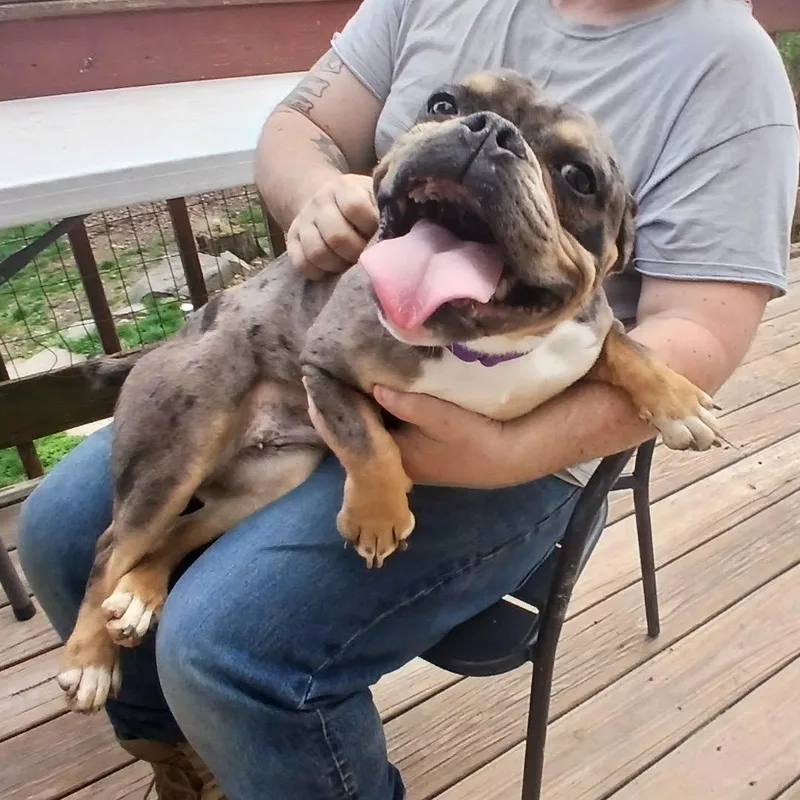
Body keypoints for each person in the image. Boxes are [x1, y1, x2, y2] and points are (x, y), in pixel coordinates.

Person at [17, 0, 798, 798]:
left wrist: (507, 455)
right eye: (448, 110)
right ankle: (186, 756)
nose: (483, 137)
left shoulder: (728, 68)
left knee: (228, 646)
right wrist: (317, 190)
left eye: (574, 177)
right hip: (332, 356)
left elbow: (699, 329)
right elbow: (302, 126)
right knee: (58, 529)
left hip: (528, 422)